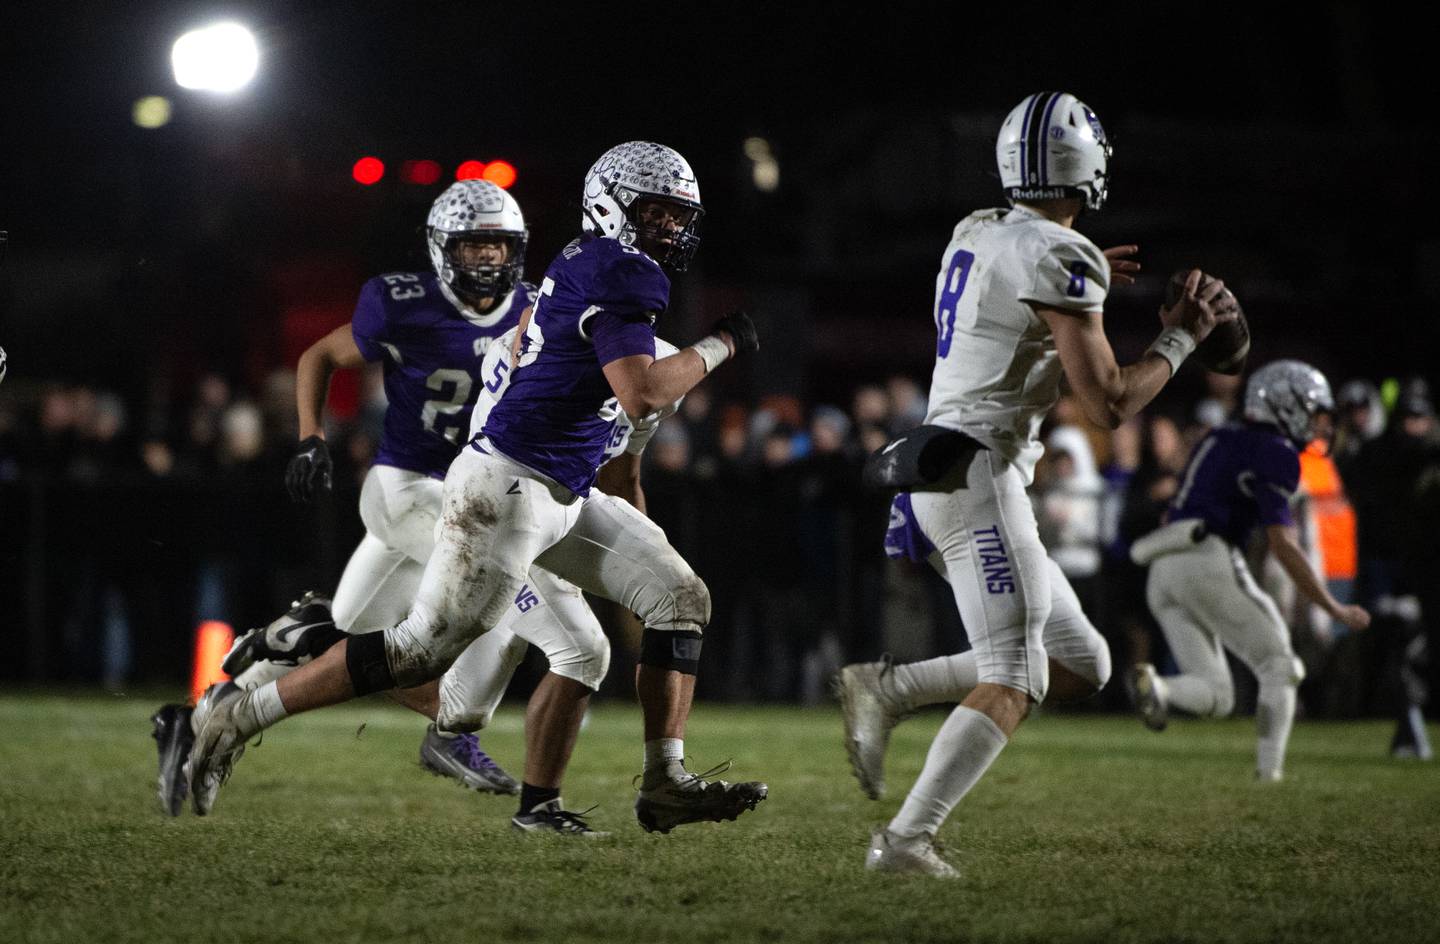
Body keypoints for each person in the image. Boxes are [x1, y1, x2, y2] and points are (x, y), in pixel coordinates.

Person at [185, 142, 768, 833]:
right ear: (611, 203)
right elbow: (640, 395)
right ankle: (236, 716)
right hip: (509, 486)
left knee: (680, 597)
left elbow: (601, 408)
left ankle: (664, 779)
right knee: (416, 653)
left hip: (561, 491)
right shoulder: (618, 271)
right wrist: (722, 343)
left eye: (677, 215)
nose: (670, 228)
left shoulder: (586, 264)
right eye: (655, 211)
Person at [837, 91, 1235, 878]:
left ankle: (889, 688)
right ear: (1086, 163)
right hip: (975, 470)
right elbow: (1110, 402)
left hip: (948, 460)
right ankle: (907, 842)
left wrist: (1078, 277)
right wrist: (1183, 335)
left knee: (1083, 663)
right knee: (1016, 674)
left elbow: (1012, 302)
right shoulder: (1060, 256)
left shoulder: (979, 230)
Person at [151, 178, 536, 815]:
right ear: (444, 249)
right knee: (506, 606)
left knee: (352, 638)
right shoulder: (404, 301)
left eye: (499, 244)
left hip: (468, 490)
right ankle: (452, 731)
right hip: (410, 487)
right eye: (475, 246)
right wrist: (311, 436)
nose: (490, 258)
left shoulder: (530, 308)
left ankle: (201, 715)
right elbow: (319, 356)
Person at [1129, 360, 1370, 780]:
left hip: (1163, 566)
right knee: (1281, 667)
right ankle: (1268, 776)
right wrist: (1332, 605)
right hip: (1208, 556)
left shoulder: (1220, 436)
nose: (1322, 427)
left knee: (1218, 696)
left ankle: (1160, 686)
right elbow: (1283, 543)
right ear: (1287, 406)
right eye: (1315, 414)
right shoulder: (1276, 453)